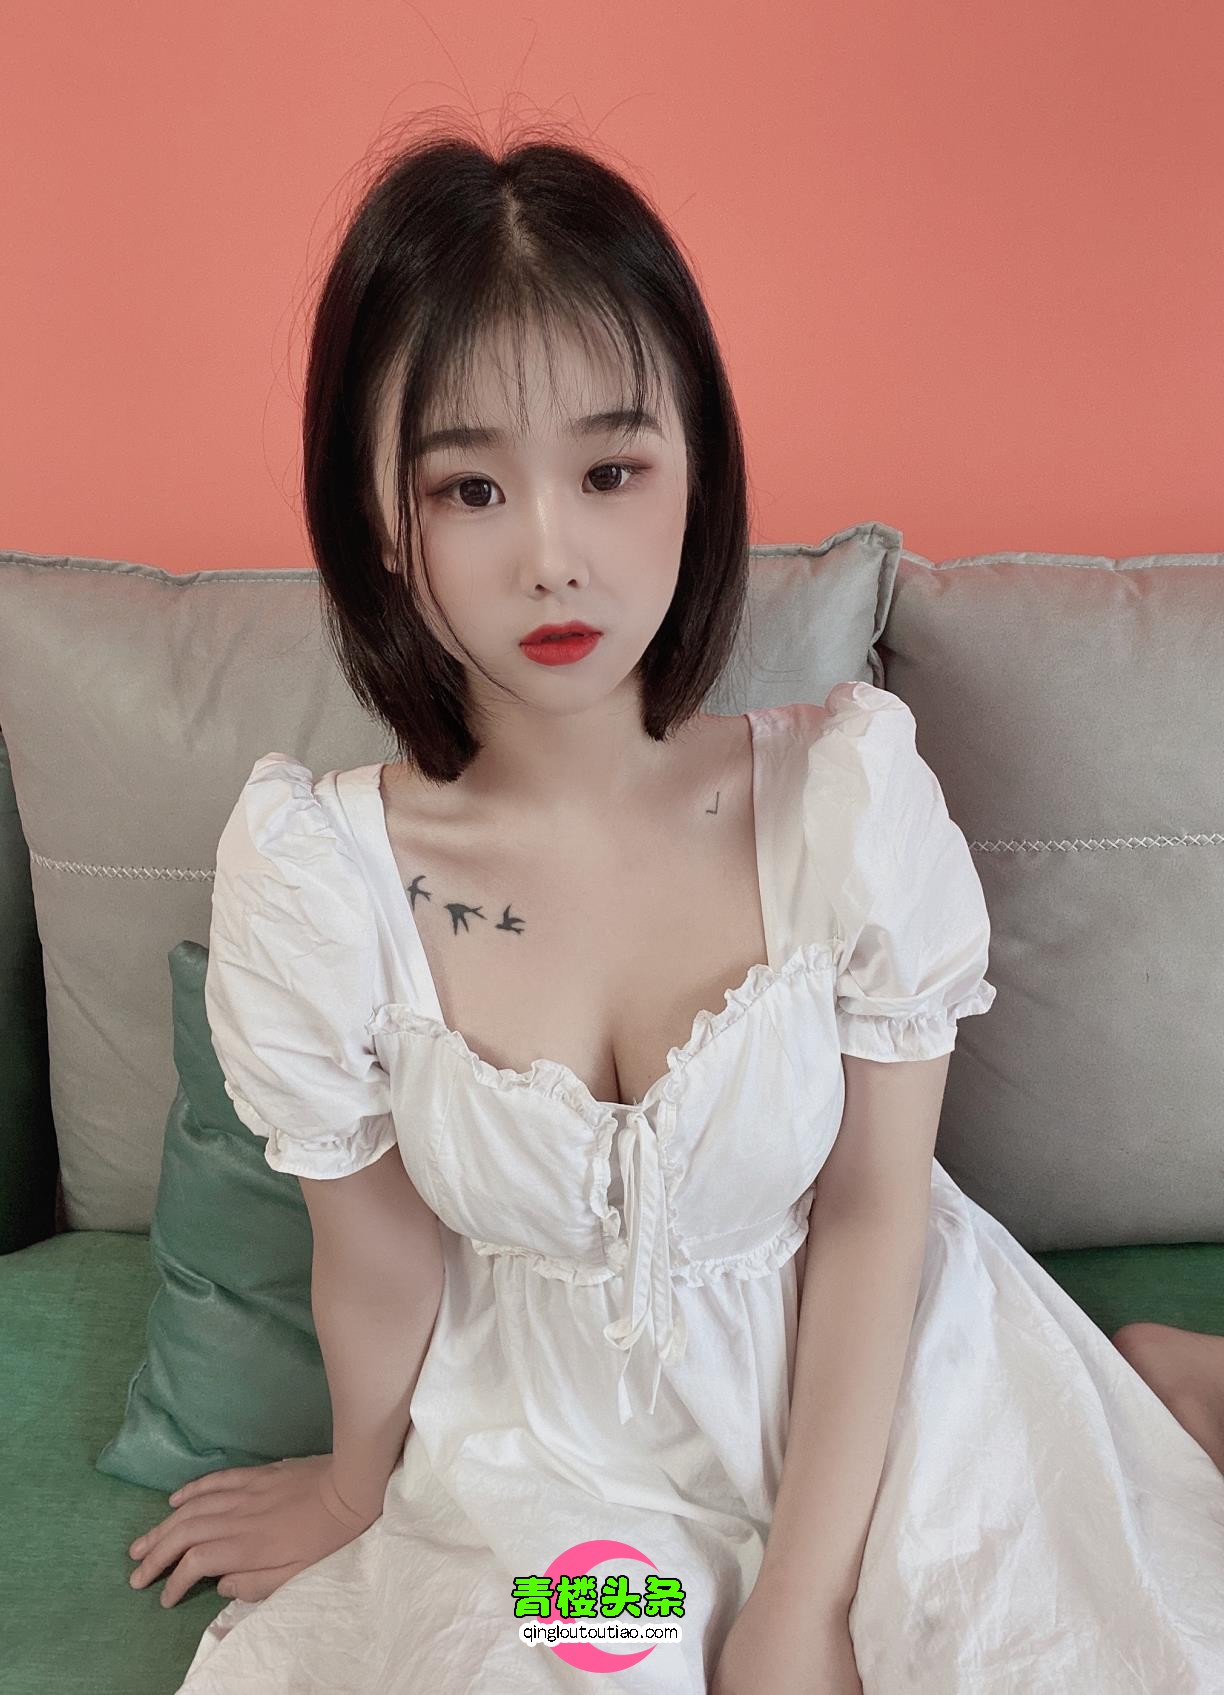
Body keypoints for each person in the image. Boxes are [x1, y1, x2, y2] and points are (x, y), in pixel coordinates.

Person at [126, 121, 1224, 1694]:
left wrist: (804, 1608)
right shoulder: (325, 883)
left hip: (880, 1406)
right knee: (562, 1655)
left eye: (611, 470)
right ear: (378, 519)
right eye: (471, 487)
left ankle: (1142, 1397)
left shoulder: (843, 808)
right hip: (565, 1474)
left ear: (694, 472)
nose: (553, 556)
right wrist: (356, 1490)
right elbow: (375, 1259)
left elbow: (872, 1210)